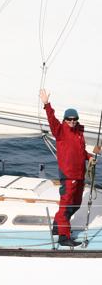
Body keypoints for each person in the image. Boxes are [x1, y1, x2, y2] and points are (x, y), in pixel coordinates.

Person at [40, 89, 99, 247]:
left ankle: (57, 226)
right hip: (68, 175)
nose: (72, 122)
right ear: (65, 120)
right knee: (66, 207)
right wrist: (47, 104)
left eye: (74, 119)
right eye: (69, 119)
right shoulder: (60, 131)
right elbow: (52, 120)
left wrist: (89, 157)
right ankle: (63, 237)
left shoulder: (79, 134)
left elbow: (80, 152)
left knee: (76, 204)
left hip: (80, 175)